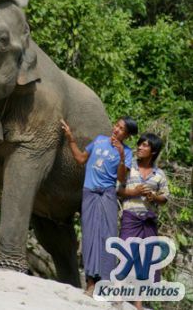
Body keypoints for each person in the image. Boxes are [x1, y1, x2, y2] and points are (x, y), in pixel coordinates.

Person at [61, 116, 138, 296]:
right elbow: (80, 159)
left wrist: (120, 155)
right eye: (116, 126)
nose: (116, 130)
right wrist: (70, 138)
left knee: (107, 237)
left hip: (107, 196)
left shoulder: (126, 152)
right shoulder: (99, 141)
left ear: (127, 135)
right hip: (89, 193)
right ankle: (90, 283)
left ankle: (104, 283)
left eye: (121, 129)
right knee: (90, 237)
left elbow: (121, 178)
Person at [118, 132, 169, 310]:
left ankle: (138, 303)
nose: (140, 147)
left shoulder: (159, 174)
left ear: (153, 151)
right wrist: (134, 192)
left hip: (149, 220)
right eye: (140, 144)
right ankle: (120, 297)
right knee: (125, 255)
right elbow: (118, 190)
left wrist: (153, 196)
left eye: (145, 145)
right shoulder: (128, 167)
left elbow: (165, 198)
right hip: (131, 217)